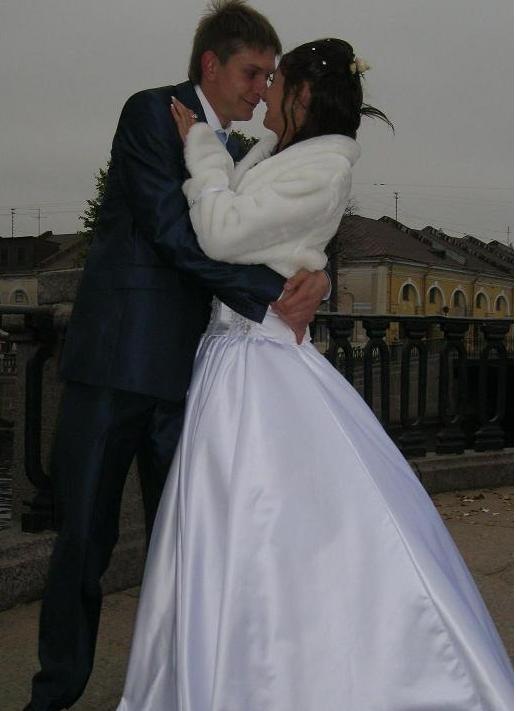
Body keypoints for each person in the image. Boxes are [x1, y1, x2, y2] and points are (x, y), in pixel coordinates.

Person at [116, 37, 513, 711]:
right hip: (236, 353)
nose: (265, 93)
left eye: (276, 83)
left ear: (302, 95)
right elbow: (251, 236)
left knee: (258, 523)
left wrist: (202, 151)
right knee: (230, 524)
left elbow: (220, 232)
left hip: (257, 361)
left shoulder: (321, 170)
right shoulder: (286, 157)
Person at [24, 3, 332, 710]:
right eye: (252, 73)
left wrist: (313, 276)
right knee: (84, 542)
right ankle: (54, 695)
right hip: (118, 365)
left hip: (195, 380)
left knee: (188, 552)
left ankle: (182, 688)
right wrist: (271, 296)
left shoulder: (242, 151)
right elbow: (173, 233)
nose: (263, 89)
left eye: (270, 78)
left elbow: (273, 230)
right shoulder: (150, 114)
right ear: (210, 65)